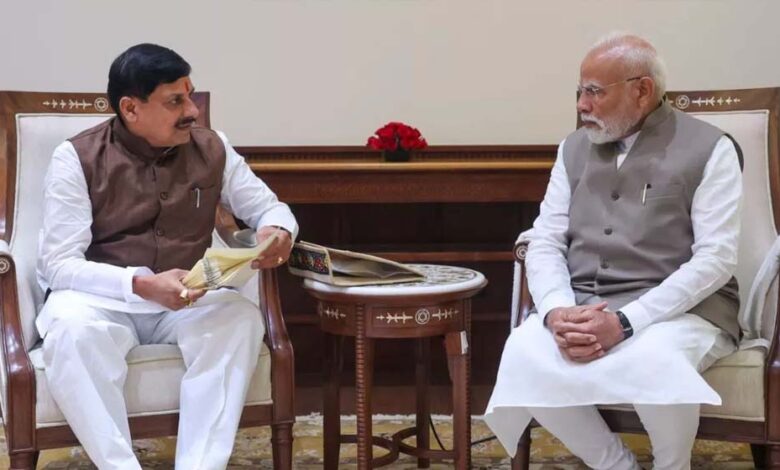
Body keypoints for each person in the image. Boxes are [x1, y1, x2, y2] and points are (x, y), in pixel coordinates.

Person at [484, 32, 742, 470]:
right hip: (584, 302)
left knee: (656, 357)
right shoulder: (572, 149)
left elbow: (715, 258)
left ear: (642, 90)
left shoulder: (711, 148)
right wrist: (558, 311)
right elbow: (545, 238)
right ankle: (615, 465)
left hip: (681, 311)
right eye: (579, 91)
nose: (582, 104)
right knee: (525, 352)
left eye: (594, 92)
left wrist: (625, 322)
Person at [36, 43, 297, 469]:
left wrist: (278, 229)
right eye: (175, 101)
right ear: (130, 108)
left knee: (238, 319)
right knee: (71, 331)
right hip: (103, 300)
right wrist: (139, 284)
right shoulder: (76, 157)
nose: (192, 111)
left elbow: (269, 207)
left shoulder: (213, 147)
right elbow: (59, 263)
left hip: (185, 300)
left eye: (190, 96)